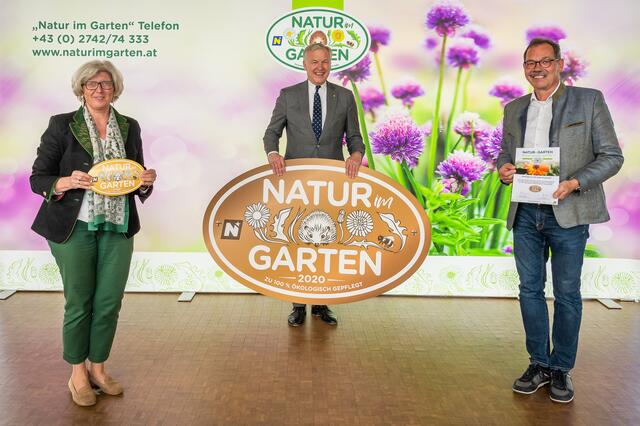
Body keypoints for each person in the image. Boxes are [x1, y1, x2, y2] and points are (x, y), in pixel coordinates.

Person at [497, 38, 623, 403]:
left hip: (568, 212)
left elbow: (612, 156)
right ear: (524, 68)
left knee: (567, 295)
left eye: (545, 61)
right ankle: (538, 363)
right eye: (530, 63)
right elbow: (506, 154)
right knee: (529, 291)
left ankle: (561, 369)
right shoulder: (513, 107)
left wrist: (574, 182)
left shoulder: (589, 100)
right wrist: (503, 169)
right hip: (525, 212)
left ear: (559, 64)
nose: (537, 68)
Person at [30, 60, 157, 406]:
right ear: (81, 90)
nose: (99, 90)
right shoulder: (62, 125)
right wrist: (66, 181)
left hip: (118, 226)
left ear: (115, 88)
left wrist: (146, 181)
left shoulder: (130, 126)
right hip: (74, 227)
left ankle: (98, 368)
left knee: (108, 303)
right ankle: (77, 374)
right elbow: (38, 177)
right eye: (91, 84)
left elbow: (135, 175)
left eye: (105, 84)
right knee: (79, 302)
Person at [263, 43, 365, 327]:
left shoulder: (344, 96)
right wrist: (273, 154)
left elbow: (355, 137)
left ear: (330, 64)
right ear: (305, 64)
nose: (320, 67)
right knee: (298, 240)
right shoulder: (287, 95)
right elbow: (271, 134)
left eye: (324, 62)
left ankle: (321, 302)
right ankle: (297, 304)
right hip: (296, 182)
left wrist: (356, 154)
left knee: (326, 239)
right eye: (314, 62)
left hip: (332, 183)